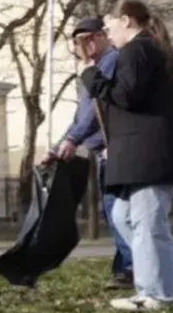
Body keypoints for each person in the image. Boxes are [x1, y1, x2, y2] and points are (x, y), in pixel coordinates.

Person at [79, 0, 173, 311]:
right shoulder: (145, 49)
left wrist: (91, 76)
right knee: (124, 216)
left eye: (108, 26)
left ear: (126, 20)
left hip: (148, 153)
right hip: (141, 152)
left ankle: (156, 294)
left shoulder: (138, 50)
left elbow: (125, 96)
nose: (107, 34)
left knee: (148, 223)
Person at [44, 17, 133, 289]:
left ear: (103, 36)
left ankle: (131, 269)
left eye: (90, 37)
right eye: (79, 41)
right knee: (115, 212)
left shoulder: (109, 62)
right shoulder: (90, 69)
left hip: (116, 147)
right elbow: (81, 114)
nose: (85, 45)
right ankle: (127, 268)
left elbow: (101, 108)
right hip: (102, 151)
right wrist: (62, 143)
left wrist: (72, 139)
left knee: (119, 212)